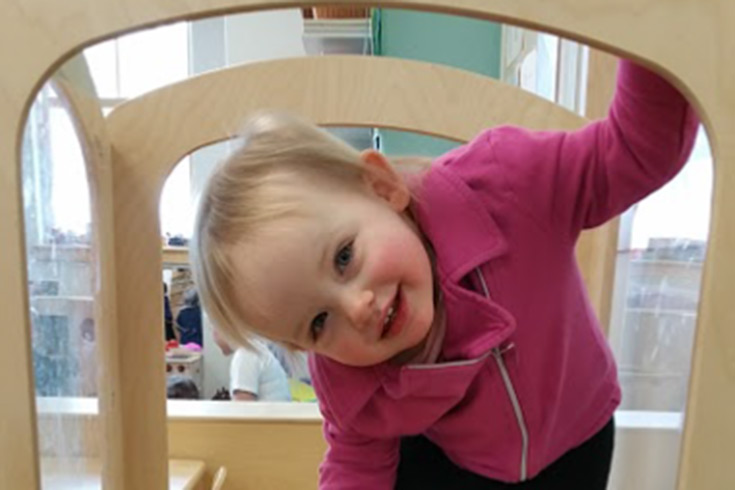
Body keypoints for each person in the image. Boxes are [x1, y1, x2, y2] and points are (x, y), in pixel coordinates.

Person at [189, 59, 698, 489]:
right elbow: (356, 465)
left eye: (345, 257)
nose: (356, 308)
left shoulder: (507, 184)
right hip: (462, 463)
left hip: (578, 433)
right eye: (319, 323)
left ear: (382, 187)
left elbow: (634, 152)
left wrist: (649, 36)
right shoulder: (348, 376)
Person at [212, 328, 291, 401]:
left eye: (214, 327)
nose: (213, 336)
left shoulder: (245, 355)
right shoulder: (253, 349)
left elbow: (243, 411)